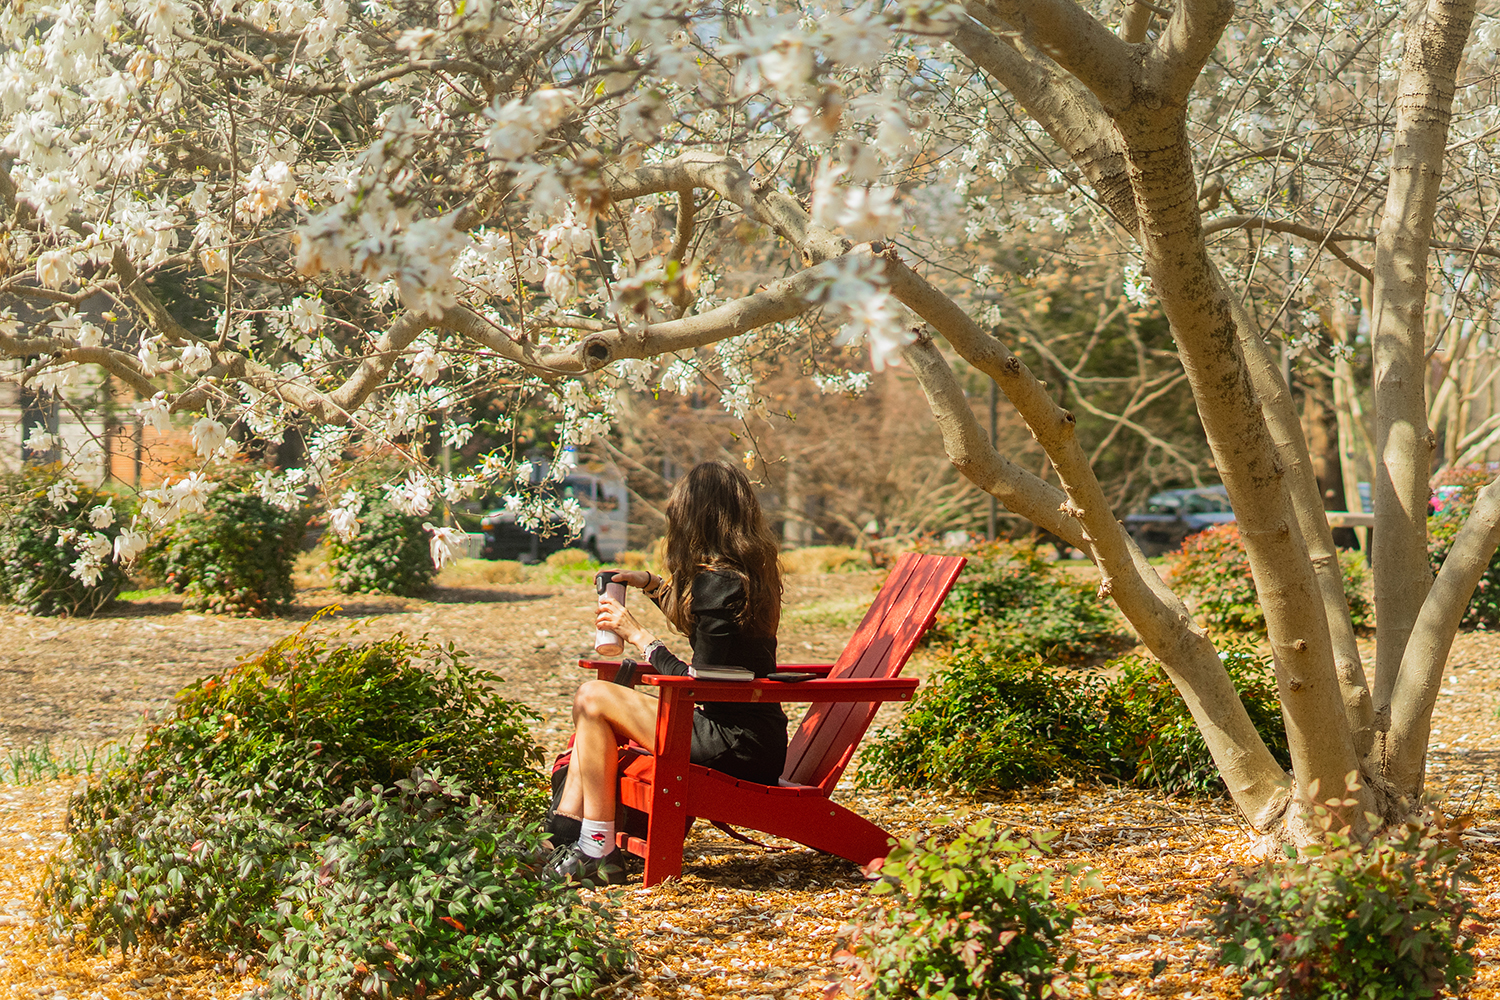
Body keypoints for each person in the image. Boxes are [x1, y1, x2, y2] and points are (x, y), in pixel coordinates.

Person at [544, 461, 786, 884]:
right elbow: (705, 627)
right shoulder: (743, 574)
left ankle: (596, 850)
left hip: (733, 744)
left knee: (593, 698)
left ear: (697, 518)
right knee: (594, 704)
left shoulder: (721, 582)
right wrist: (652, 584)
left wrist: (639, 635)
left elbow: (698, 680)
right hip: (745, 733)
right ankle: (568, 837)